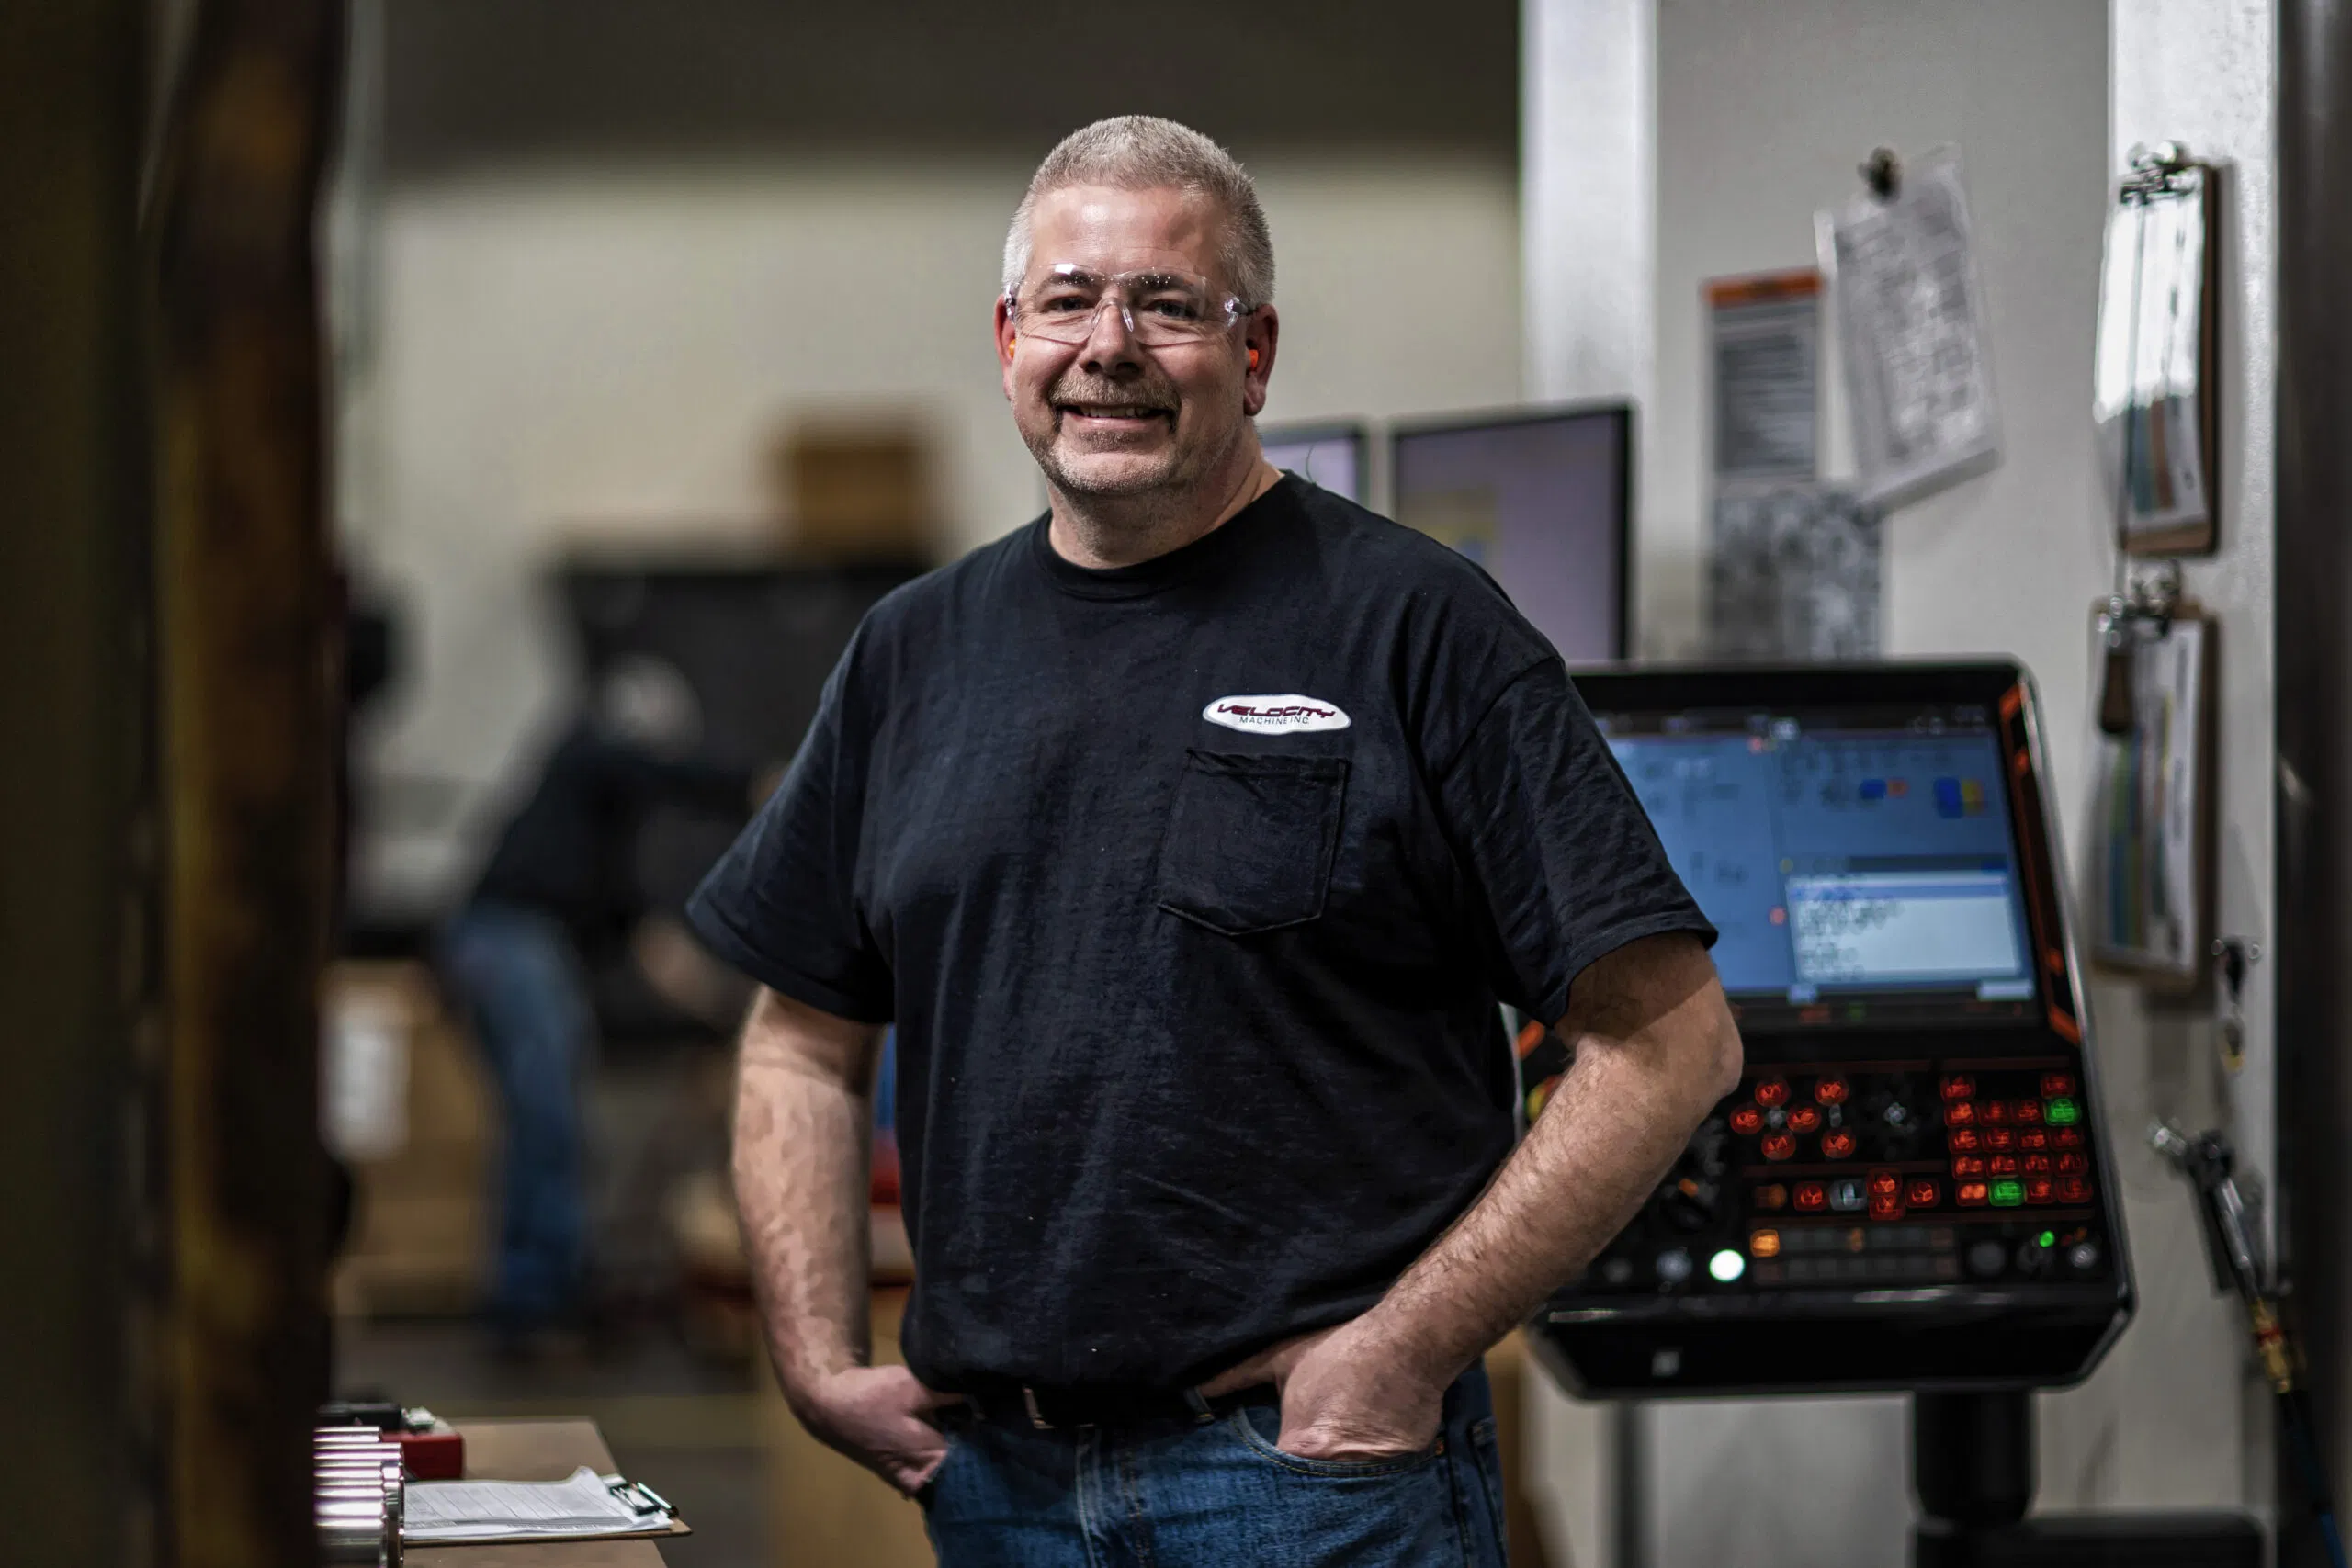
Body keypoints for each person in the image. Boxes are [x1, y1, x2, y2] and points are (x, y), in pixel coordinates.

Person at [687, 116, 1742, 1565]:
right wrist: (813, 1358)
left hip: (1312, 1486)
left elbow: (1669, 1041)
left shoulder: (1419, 628)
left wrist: (1398, 1349)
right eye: (1067, 300)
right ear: (1008, 337)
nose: (1107, 346)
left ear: (1255, 353)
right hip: (998, 1486)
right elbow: (799, 1040)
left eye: (1167, 304)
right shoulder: (910, 652)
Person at [441, 655, 758, 1345]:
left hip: (514, 947)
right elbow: (659, 772)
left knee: (552, 1118)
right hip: (510, 941)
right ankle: (534, 1300)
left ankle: (547, 1284)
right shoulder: (586, 760)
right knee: (548, 1115)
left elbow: (651, 944)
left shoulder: (595, 840)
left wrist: (733, 1009)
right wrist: (759, 784)